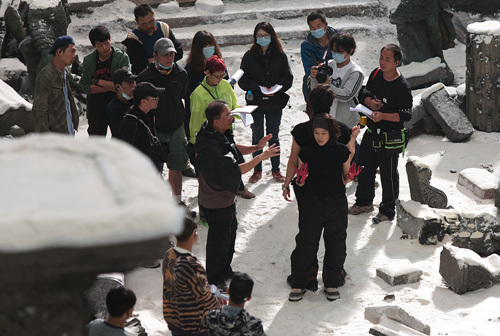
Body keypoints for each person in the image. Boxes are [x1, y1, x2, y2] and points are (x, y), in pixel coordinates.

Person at [195, 100, 280, 289]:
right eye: (228, 116)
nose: (232, 118)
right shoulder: (211, 147)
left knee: (230, 235)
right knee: (219, 240)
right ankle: (215, 277)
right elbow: (235, 170)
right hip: (216, 201)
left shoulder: (216, 133)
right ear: (216, 121)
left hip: (226, 198)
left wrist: (257, 147)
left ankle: (225, 269)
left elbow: (233, 147)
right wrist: (260, 158)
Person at [282, 85, 352, 291]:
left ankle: (308, 275)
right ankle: (335, 274)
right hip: (334, 189)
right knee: (335, 236)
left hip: (306, 188)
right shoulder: (341, 129)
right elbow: (347, 160)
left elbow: (293, 159)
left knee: (307, 232)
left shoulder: (302, 130)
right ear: (331, 104)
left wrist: (287, 183)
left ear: (309, 104)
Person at [288, 114, 360, 302]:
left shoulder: (341, 151)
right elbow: (301, 179)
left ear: (331, 133)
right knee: (306, 243)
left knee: (336, 243)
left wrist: (350, 176)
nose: (320, 137)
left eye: (324, 133)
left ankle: (331, 283)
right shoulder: (306, 152)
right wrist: (300, 181)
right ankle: (298, 283)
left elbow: (345, 178)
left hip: (336, 202)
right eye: (317, 133)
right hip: (312, 202)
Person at [348, 44, 412, 224]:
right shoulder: (376, 74)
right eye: (381, 58)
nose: (382, 62)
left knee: (388, 173)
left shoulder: (402, 87)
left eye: (387, 60)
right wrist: (370, 102)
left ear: (397, 62)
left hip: (390, 136)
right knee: (364, 166)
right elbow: (364, 93)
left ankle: (388, 210)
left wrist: (382, 115)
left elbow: (405, 115)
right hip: (372, 131)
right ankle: (364, 202)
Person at [189, 55, 254, 200]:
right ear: (207, 73)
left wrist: (239, 111)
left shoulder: (225, 85)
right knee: (211, 171)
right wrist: (195, 146)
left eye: (223, 75)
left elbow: (233, 106)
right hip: (209, 137)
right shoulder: (197, 94)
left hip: (226, 131)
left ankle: (240, 187)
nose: (220, 79)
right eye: (217, 76)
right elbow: (194, 124)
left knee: (235, 161)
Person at [239, 21, 293, 184]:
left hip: (275, 101)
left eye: (266, 35)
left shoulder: (280, 55)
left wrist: (277, 87)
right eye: (259, 36)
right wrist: (258, 88)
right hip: (255, 101)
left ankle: (276, 169)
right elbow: (243, 79)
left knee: (273, 134)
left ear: (272, 36)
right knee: (257, 135)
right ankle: (257, 169)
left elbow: (288, 77)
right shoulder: (249, 56)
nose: (263, 38)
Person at [137, 37, 189, 204]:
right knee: (154, 169)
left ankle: (177, 201)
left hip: (176, 127)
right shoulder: (145, 77)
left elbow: (183, 95)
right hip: (154, 130)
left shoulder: (181, 74)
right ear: (155, 55)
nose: (169, 57)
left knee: (176, 167)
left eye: (172, 54)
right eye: (165, 54)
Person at [163, 217, 222, 336]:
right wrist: (218, 301)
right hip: (194, 326)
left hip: (173, 318)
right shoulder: (192, 266)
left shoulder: (168, 254)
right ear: (195, 233)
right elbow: (206, 300)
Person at [80, 26, 131, 136]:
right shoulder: (89, 60)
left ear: (110, 39)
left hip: (118, 107)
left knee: (121, 141)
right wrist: (113, 86)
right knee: (96, 143)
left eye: (106, 43)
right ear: (94, 45)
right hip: (96, 109)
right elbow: (85, 86)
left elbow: (124, 86)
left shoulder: (121, 57)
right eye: (100, 45)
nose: (104, 47)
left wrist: (97, 81)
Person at [309, 31, 364, 128]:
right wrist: (313, 78)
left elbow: (346, 95)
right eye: (333, 51)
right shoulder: (328, 65)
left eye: (340, 51)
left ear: (350, 50)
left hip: (345, 123)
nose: (336, 54)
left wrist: (328, 86)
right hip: (325, 119)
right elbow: (315, 90)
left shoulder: (355, 72)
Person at [184, 30, 227, 140]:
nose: (209, 48)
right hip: (198, 115)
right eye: (205, 46)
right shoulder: (190, 69)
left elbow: (227, 84)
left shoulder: (220, 64)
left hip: (218, 115)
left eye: (211, 45)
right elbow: (186, 93)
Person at [32, 35, 79, 135]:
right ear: (59, 52)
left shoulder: (65, 72)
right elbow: (39, 112)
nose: (74, 55)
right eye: (72, 51)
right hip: (56, 137)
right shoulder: (46, 76)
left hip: (69, 131)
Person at [123, 3, 183, 75]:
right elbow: (140, 65)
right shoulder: (133, 38)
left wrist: (152, 60)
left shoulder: (163, 28)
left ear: (153, 15)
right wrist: (165, 59)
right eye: (144, 24)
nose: (148, 26)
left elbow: (179, 51)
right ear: (137, 21)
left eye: (151, 21)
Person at [117, 82, 164, 171]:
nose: (158, 99)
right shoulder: (131, 122)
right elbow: (127, 152)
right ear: (144, 101)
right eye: (154, 98)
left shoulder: (149, 114)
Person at [300, 10, 338, 102]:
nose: (315, 30)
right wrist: (314, 73)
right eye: (312, 28)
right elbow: (308, 70)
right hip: (317, 80)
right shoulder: (306, 45)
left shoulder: (338, 39)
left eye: (318, 26)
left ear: (325, 25)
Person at [106, 68, 137, 137]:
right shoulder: (113, 108)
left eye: (134, 81)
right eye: (129, 83)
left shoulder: (137, 101)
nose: (134, 85)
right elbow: (126, 133)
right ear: (118, 87)